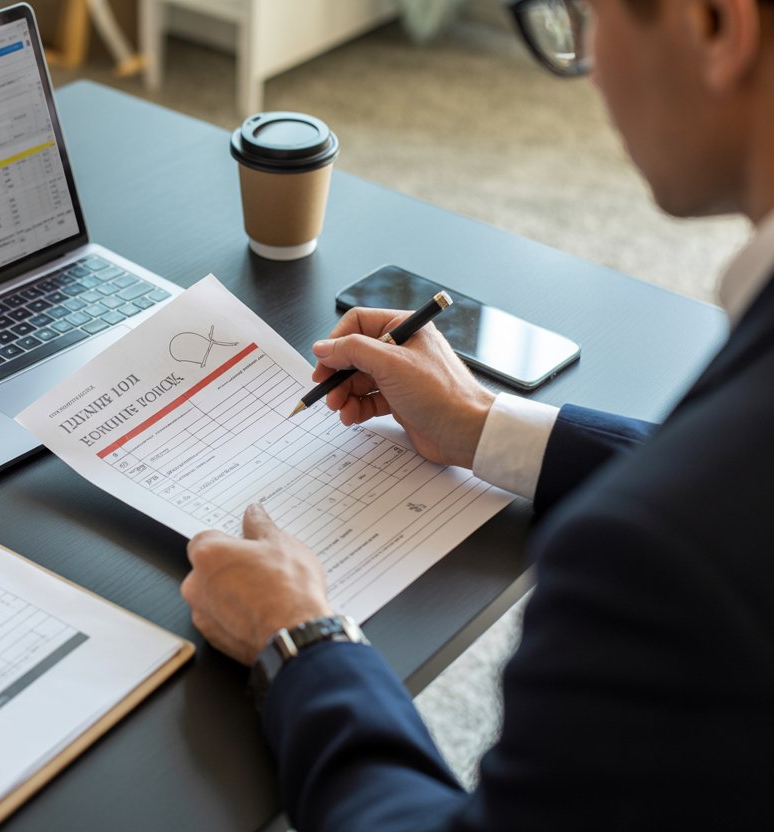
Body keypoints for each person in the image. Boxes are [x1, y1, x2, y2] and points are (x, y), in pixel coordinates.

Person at [180, 0, 774, 827]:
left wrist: (300, 641)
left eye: (586, 17)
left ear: (717, 27)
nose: (590, 67)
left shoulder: (648, 566)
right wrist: (482, 421)